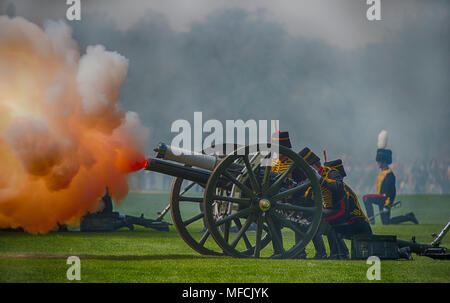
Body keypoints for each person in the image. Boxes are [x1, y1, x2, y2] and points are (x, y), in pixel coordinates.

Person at [300, 148, 373, 258]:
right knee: (310, 218)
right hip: (332, 212)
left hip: (347, 216)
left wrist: (320, 179)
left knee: (316, 219)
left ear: (315, 165)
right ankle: (336, 252)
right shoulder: (312, 178)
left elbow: (337, 187)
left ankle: (325, 253)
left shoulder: (331, 173)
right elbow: (306, 195)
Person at [271, 132, 327, 259]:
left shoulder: (296, 163)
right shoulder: (275, 164)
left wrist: (291, 190)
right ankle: (278, 250)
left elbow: (307, 182)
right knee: (272, 221)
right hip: (281, 202)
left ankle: (303, 252)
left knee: (302, 223)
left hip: (299, 202)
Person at [364, 132, 418, 225]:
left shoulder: (390, 175)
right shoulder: (381, 173)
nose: (377, 163)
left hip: (384, 199)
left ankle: (371, 220)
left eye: (379, 161)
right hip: (381, 198)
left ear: (383, 162)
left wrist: (387, 205)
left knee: (366, 198)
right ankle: (409, 217)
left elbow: (391, 193)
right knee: (386, 222)